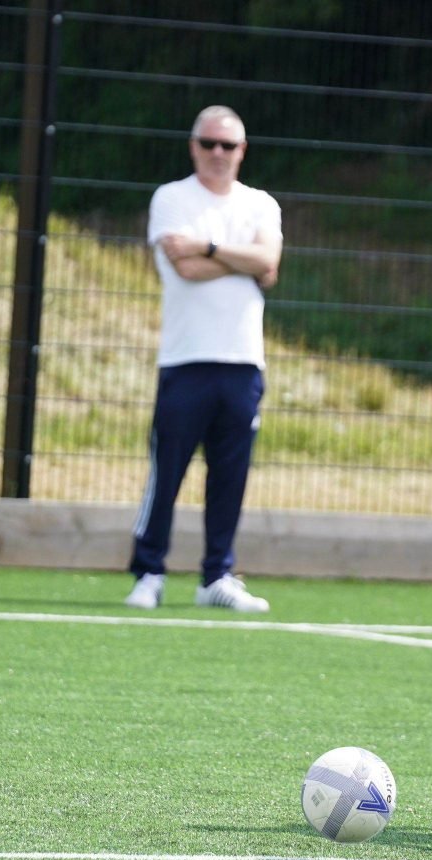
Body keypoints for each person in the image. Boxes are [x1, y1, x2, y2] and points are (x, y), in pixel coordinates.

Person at [125, 105, 282, 613]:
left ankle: (217, 576)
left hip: (243, 362)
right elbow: (185, 268)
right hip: (186, 359)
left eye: (228, 145)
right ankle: (149, 572)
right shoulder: (171, 198)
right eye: (209, 143)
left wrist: (208, 246)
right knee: (167, 471)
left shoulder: (261, 203)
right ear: (194, 147)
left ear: (242, 150)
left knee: (230, 476)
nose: (218, 152)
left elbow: (268, 263)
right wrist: (241, 259)